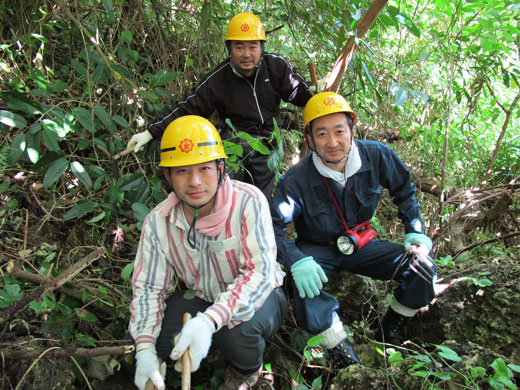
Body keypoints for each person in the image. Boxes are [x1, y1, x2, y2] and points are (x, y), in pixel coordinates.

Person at [269, 92, 437, 367]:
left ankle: (391, 329)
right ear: (309, 139)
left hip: (360, 242)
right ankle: (340, 350)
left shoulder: (377, 155)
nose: (332, 142)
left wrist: (414, 232)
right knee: (302, 287)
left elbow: (404, 191)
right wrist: (296, 260)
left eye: (339, 131)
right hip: (316, 248)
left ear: (352, 130)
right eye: (321, 134)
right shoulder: (296, 179)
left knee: (422, 267)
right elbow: (273, 228)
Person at [129, 115, 287, 390]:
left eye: (204, 169)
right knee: (146, 346)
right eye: (181, 171)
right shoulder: (158, 222)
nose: (194, 182)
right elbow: (148, 289)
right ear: (167, 175)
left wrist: (209, 322)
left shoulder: (248, 201)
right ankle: (163, 370)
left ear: (220, 168)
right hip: (202, 297)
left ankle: (245, 371)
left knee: (237, 333)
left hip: (262, 296)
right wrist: (145, 352)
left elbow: (258, 274)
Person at [127, 12, 315, 198]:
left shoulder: (276, 66)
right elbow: (188, 107)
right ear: (229, 48)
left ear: (262, 47)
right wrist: (150, 132)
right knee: (222, 190)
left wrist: (313, 93)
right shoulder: (218, 79)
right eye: (239, 47)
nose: (247, 54)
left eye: (253, 47)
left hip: (268, 139)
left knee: (261, 197)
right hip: (235, 138)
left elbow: (297, 91)